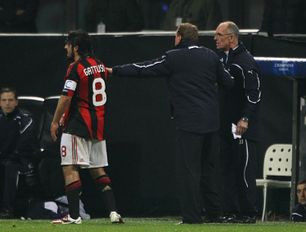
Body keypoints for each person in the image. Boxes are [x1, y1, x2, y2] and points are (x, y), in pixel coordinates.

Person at [107, 23, 234, 224]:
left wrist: (115, 71)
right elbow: (228, 81)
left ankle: (192, 218)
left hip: (189, 124)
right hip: (211, 122)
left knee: (189, 171)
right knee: (209, 170)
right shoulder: (211, 56)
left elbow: (145, 68)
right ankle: (214, 214)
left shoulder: (174, 57)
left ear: (180, 37)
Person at [50, 29, 123, 225]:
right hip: (98, 125)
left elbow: (66, 97)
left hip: (78, 125)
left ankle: (74, 216)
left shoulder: (76, 68)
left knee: (69, 167)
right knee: (98, 169)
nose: (65, 47)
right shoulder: (99, 65)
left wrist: (55, 121)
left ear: (75, 47)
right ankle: (114, 213)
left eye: (68, 44)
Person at [214, 21, 262, 223]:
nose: (215, 38)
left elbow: (255, 93)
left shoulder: (245, 61)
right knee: (227, 168)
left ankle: (249, 213)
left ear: (231, 38)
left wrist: (245, 118)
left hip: (242, 127)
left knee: (244, 169)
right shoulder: (223, 60)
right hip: (225, 126)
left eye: (219, 34)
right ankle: (230, 211)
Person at [0, 87, 38, 218]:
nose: (7, 103)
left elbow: (24, 145)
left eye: (10, 100)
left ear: (16, 102)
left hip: (21, 159)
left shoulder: (25, 118)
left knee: (10, 167)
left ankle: (7, 210)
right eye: (4, 100)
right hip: (3, 157)